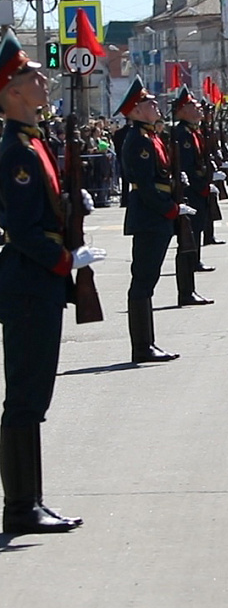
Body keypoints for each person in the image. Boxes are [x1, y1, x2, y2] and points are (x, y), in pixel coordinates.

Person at [0, 29, 104, 534]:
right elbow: (19, 228)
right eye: (30, 75)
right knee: (25, 395)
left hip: (39, 278)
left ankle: (30, 500)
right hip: (29, 279)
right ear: (11, 90)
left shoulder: (34, 142)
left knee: (34, 394)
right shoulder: (16, 151)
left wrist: (69, 205)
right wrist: (65, 260)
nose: (42, 79)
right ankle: (21, 506)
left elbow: (41, 209)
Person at [118, 78, 192, 363]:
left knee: (148, 279)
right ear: (136, 111)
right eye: (149, 102)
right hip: (150, 215)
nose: (155, 105)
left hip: (156, 214)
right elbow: (146, 186)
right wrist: (170, 209)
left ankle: (147, 343)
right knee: (143, 280)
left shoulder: (150, 137)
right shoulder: (137, 140)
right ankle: (142, 346)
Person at [170, 88, 216, 305]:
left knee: (193, 241)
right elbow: (187, 168)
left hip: (198, 192)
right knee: (187, 244)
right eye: (193, 106)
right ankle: (185, 292)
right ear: (182, 111)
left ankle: (189, 290)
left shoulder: (194, 132)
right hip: (190, 194)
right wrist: (202, 187)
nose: (199, 109)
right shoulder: (182, 134)